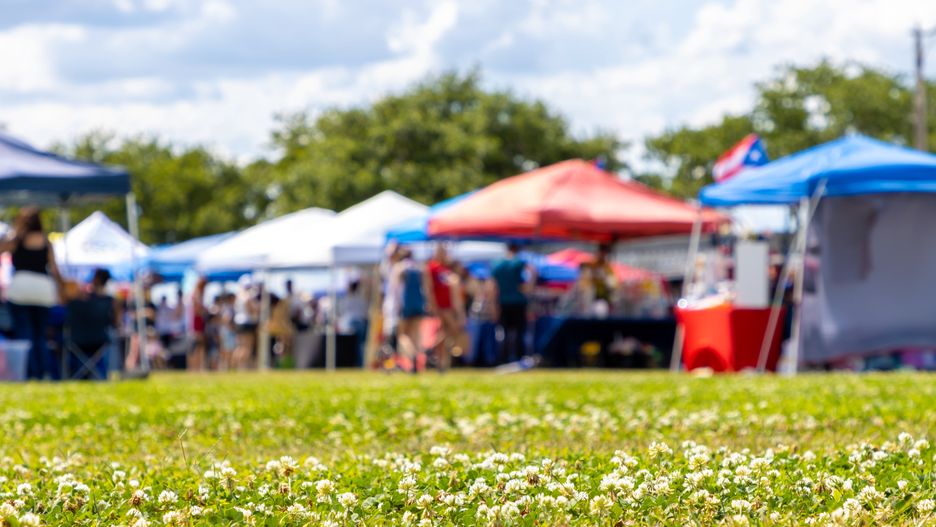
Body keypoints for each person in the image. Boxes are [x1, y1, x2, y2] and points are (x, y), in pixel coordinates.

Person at [1, 207, 63, 379]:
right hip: (43, 291)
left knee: (24, 334)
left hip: (20, 290)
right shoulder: (46, 241)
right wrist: (62, 290)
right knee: (41, 335)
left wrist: (15, 230)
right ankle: (43, 372)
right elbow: (55, 270)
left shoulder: (16, 240)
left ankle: (28, 372)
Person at [424, 244, 467, 371]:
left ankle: (442, 362)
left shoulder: (444, 269)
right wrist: (432, 305)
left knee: (445, 333)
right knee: (453, 330)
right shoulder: (432, 267)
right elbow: (429, 288)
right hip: (441, 306)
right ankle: (431, 352)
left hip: (449, 305)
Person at [491, 243, 535, 364]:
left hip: (503, 302)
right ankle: (520, 358)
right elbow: (532, 271)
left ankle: (503, 359)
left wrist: (493, 306)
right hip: (519, 302)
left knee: (503, 333)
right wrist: (529, 287)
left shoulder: (497, 265)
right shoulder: (519, 263)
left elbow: (493, 287)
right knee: (520, 332)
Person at [389, 248, 425, 372]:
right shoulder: (419, 268)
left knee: (402, 335)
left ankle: (413, 356)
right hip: (419, 304)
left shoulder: (399, 268)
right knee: (414, 334)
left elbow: (396, 291)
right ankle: (416, 360)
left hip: (405, 305)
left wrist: (395, 308)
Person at [339, 280, 369, 367]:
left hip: (350, 323)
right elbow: (365, 312)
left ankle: (352, 364)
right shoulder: (361, 299)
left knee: (350, 345)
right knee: (359, 345)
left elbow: (342, 312)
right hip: (360, 322)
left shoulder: (346, 299)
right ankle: (360, 364)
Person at [188, 277, 208, 371]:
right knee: (196, 345)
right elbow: (197, 310)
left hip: (197, 321)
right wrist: (204, 311)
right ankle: (196, 367)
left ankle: (198, 367)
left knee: (198, 345)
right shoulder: (196, 294)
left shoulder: (196, 294)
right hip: (196, 321)